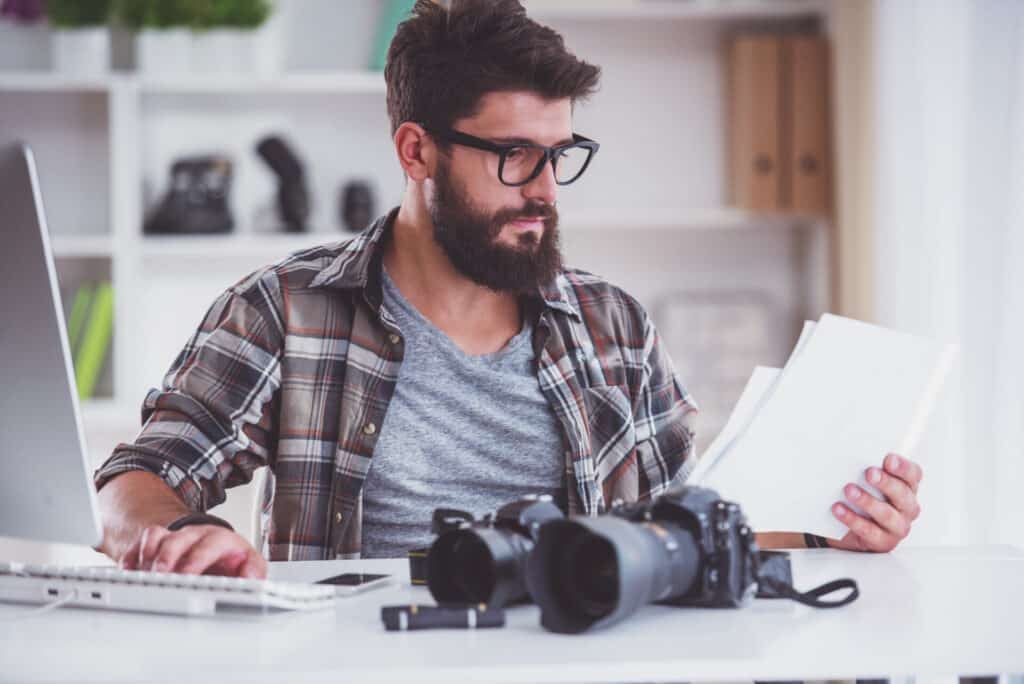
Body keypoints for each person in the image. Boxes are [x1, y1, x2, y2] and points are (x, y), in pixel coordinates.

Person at [95, 0, 923, 579]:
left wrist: (827, 527)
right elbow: (138, 478)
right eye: (514, 156)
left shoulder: (612, 326)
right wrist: (183, 536)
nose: (545, 190)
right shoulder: (286, 308)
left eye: (558, 155)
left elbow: (686, 528)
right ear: (416, 152)